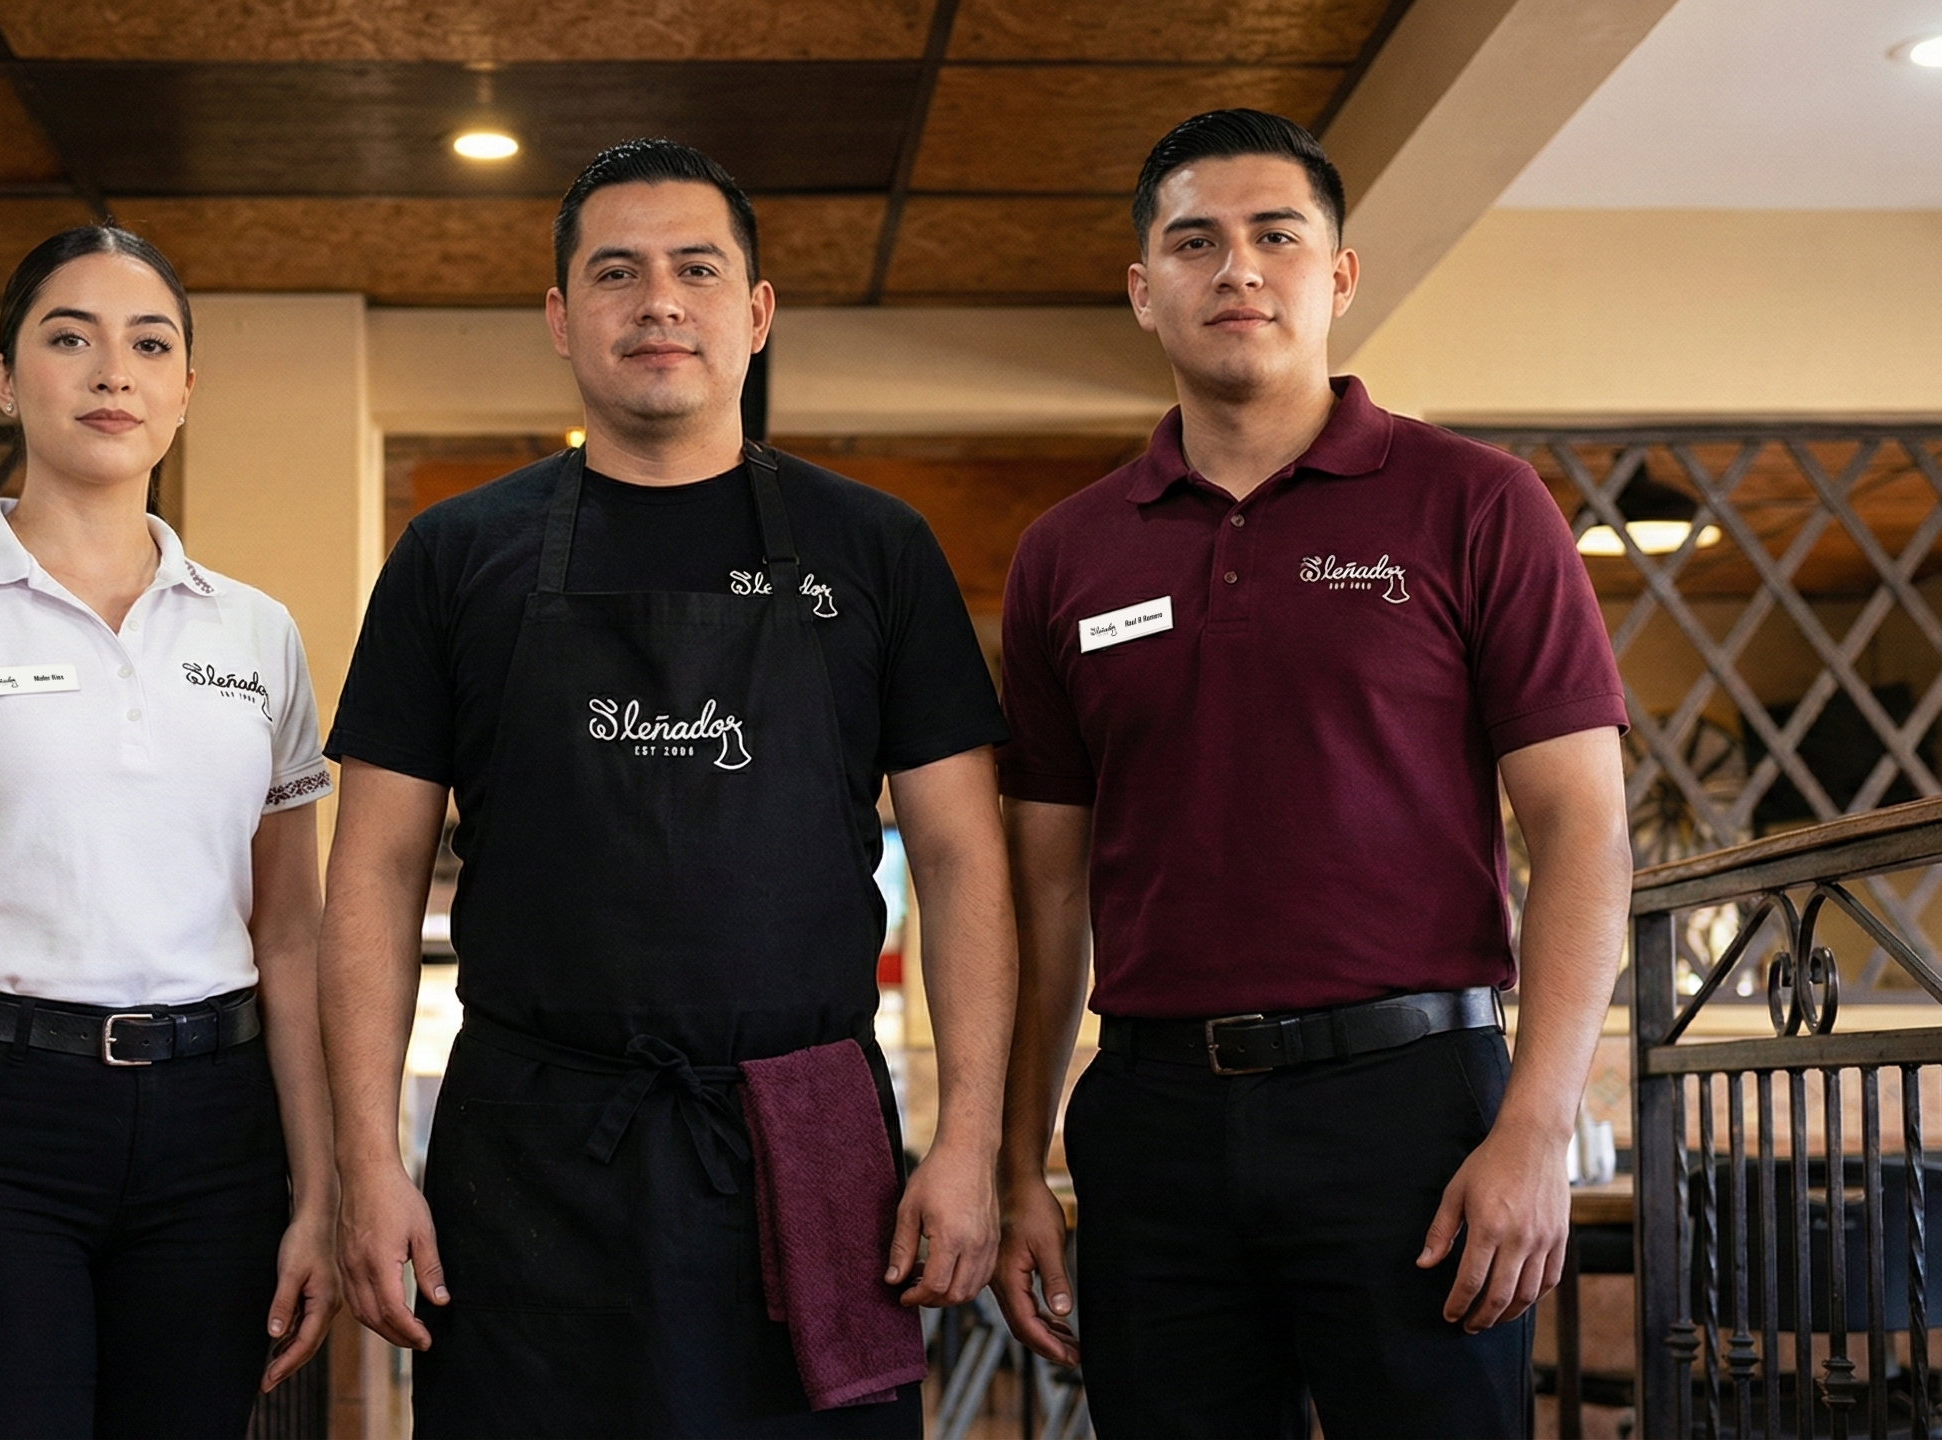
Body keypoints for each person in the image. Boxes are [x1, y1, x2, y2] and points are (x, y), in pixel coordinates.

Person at [320, 138, 1018, 1437]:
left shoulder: (878, 550)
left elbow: (963, 857)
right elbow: (370, 869)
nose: (659, 303)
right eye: (617, 273)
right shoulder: (453, 556)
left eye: (698, 270)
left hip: (808, 1154)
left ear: (755, 314)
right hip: (530, 1151)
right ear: (559, 317)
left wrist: (967, 1139)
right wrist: (369, 1163)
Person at [989, 109, 1631, 1439]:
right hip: (1152, 1120)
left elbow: (1580, 833)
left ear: (1338, 276)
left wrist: (1537, 1128)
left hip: (1414, 1117)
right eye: (1195, 242)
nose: (1238, 270)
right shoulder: (1066, 557)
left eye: (1277, 237)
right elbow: (1043, 898)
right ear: (1142, 290)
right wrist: (1014, 1164)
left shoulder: (1477, 503)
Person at [0, 225, 338, 1439]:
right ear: (4, 376)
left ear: (186, 391)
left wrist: (318, 1192)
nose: (113, 373)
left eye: (150, 345)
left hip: (217, 1131)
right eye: (69, 338)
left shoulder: (258, 634)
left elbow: (292, 934)